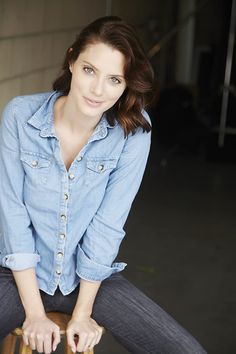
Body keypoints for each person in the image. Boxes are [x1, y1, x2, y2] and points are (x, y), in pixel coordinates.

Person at [0, 16, 207, 354]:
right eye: (89, 71)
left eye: (114, 79)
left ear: (127, 84)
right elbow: (12, 217)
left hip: (90, 278)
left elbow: (107, 226)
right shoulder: (20, 117)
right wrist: (35, 314)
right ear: (72, 61)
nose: (98, 90)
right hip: (18, 275)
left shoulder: (133, 130)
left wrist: (82, 312)